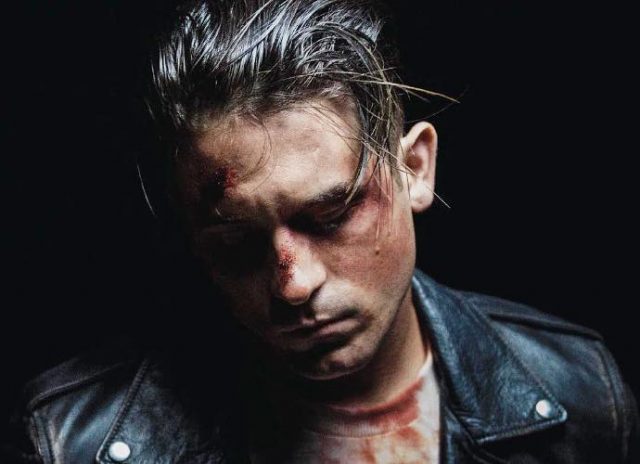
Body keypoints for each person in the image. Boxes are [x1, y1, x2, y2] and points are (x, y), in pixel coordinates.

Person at [2, 0, 637, 462]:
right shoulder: (71, 442)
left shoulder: (578, 394)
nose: (293, 285)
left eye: (330, 217)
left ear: (415, 169)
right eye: (235, 243)